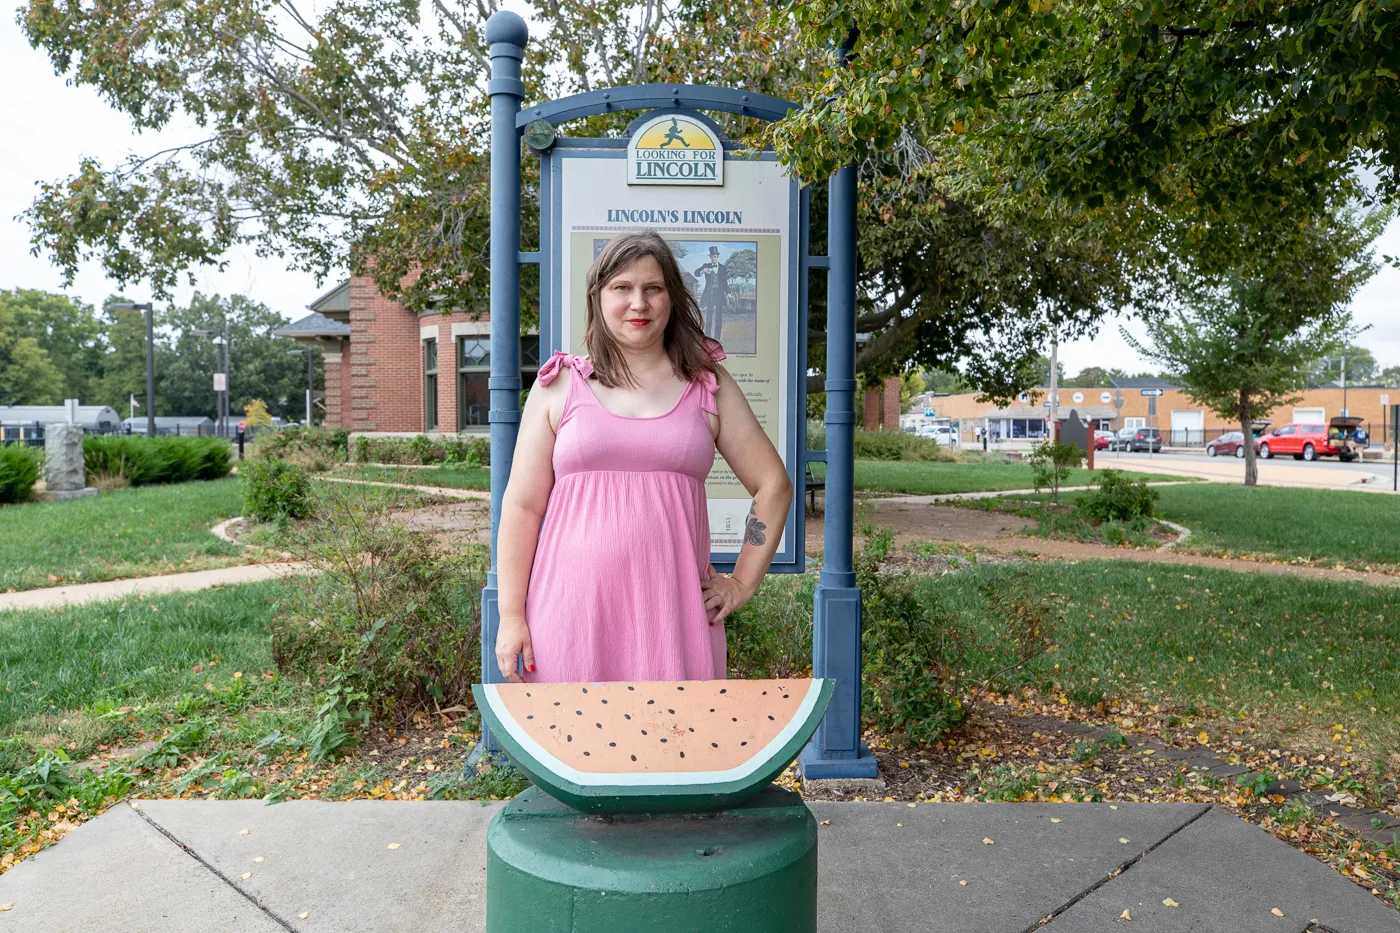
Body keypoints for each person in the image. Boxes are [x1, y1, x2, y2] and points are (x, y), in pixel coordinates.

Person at [493, 231, 793, 684]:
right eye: (622, 288)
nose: (639, 303)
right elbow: (522, 506)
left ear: (672, 297)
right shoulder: (558, 384)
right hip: (567, 619)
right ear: (598, 297)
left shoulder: (707, 384)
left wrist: (742, 582)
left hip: (675, 623)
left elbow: (773, 486)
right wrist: (511, 615)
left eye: (653, 288)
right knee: (574, 752)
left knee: (678, 750)